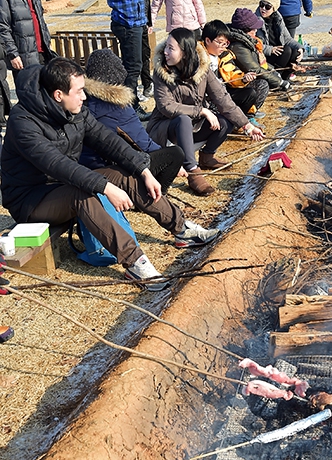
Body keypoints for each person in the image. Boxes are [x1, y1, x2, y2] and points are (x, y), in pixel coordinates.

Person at [0, 58, 220, 289]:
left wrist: (143, 170)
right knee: (83, 194)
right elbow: (56, 165)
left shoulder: (73, 110)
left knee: (126, 174)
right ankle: (135, 263)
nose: (85, 97)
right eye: (80, 91)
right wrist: (105, 187)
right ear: (58, 95)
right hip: (32, 199)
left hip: (64, 184)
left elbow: (108, 141)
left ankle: (181, 228)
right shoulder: (23, 122)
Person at [147, 28, 263, 196]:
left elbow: (223, 99)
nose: (165, 52)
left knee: (224, 122)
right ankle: (193, 171)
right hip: (166, 128)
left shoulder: (203, 69)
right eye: (166, 47)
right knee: (183, 119)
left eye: (171, 48)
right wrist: (201, 111)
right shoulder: (161, 72)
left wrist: (246, 126)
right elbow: (166, 106)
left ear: (185, 52)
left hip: (193, 126)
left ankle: (207, 156)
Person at [80, 48, 184, 194]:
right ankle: (154, 195)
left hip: (84, 168)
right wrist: (172, 163)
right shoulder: (117, 105)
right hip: (110, 170)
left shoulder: (81, 99)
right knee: (175, 154)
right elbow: (143, 143)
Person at [202, 20, 269, 123]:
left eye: (225, 43)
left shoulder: (224, 55)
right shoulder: (199, 58)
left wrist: (243, 78)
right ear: (207, 41)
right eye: (220, 42)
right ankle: (232, 121)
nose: (223, 46)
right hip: (210, 98)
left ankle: (246, 116)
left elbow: (232, 74)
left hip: (225, 92)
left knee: (259, 86)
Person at [227, 8, 288, 91]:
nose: (256, 30)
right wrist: (280, 82)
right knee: (263, 85)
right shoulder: (238, 46)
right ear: (245, 30)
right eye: (253, 28)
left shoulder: (249, 41)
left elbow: (260, 62)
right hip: (242, 83)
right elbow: (255, 69)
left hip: (254, 75)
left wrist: (273, 71)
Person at [255, 0, 303, 80]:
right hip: (265, 54)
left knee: (295, 52)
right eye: (261, 4)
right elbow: (253, 43)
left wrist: (300, 47)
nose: (263, 9)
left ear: (274, 8)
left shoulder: (278, 19)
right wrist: (270, 49)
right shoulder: (256, 20)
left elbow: (287, 39)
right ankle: (276, 79)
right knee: (287, 50)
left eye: (268, 6)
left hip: (279, 53)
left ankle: (285, 78)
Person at [129, 0, 154, 100]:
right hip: (132, 21)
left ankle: (147, 84)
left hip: (143, 19)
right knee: (134, 60)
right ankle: (133, 92)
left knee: (145, 54)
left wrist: (149, 21)